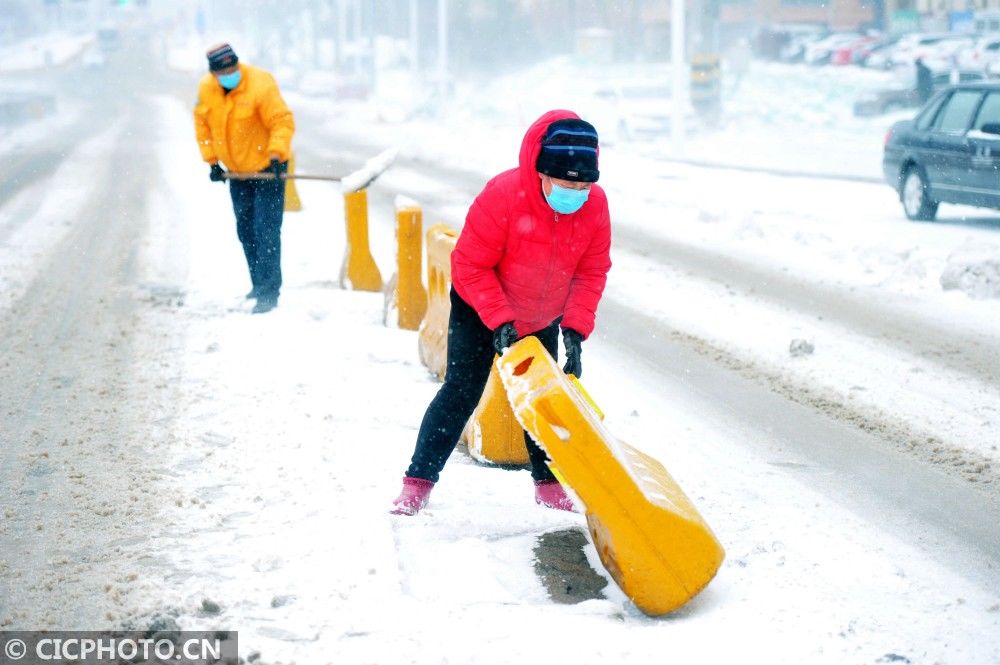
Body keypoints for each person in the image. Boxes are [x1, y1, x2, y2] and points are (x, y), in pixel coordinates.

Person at [391, 110, 612, 516]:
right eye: (566, 183)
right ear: (542, 172)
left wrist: (576, 328)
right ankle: (417, 483)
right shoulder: (504, 195)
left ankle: (548, 487)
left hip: (541, 315)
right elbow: (469, 264)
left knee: (543, 398)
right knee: (462, 390)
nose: (576, 191)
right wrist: (499, 320)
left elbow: (591, 270)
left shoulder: (594, 206)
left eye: (583, 184)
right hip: (481, 306)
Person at [193, 43, 295, 314]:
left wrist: (276, 153)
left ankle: (270, 292)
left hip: (267, 168)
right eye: (223, 70)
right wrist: (212, 161)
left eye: (233, 68)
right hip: (237, 173)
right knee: (246, 230)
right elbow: (202, 125)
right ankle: (258, 284)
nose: (230, 73)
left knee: (266, 231)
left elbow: (281, 121)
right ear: (213, 73)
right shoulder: (207, 90)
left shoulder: (261, 84)